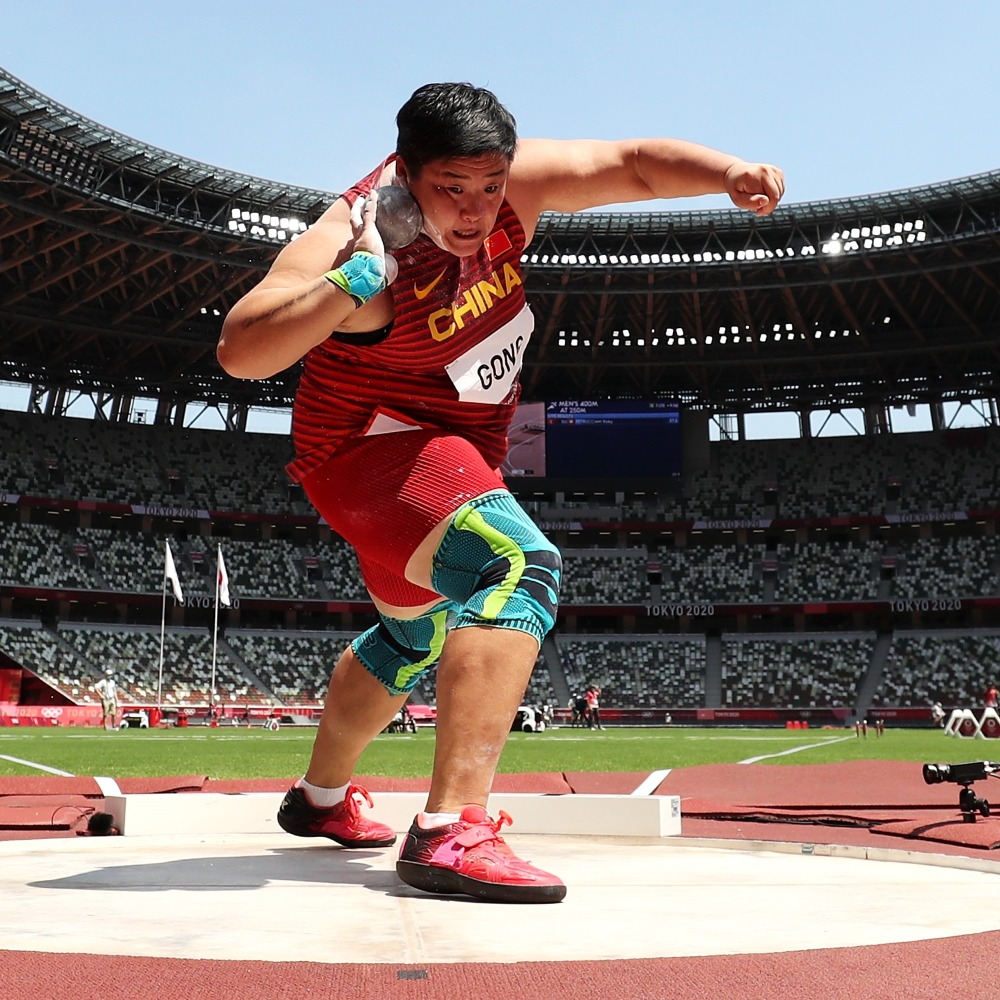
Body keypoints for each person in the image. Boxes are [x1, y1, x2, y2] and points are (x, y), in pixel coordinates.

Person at [217, 82, 784, 904]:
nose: (476, 209)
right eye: (452, 188)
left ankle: (320, 800)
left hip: (448, 456)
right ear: (406, 172)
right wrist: (355, 279)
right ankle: (451, 830)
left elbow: (632, 163)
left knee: (410, 637)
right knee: (519, 567)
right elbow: (240, 351)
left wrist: (727, 171)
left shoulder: (515, 187)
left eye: (490, 186)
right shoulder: (353, 238)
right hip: (367, 450)